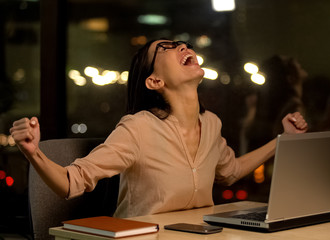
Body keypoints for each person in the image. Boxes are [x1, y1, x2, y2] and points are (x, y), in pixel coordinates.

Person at [10, 39, 308, 218]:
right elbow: (70, 182)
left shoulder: (212, 124)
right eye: (166, 48)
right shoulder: (137, 128)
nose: (183, 46)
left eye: (182, 44)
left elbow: (229, 171)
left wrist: (283, 140)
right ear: (155, 82)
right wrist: (33, 152)